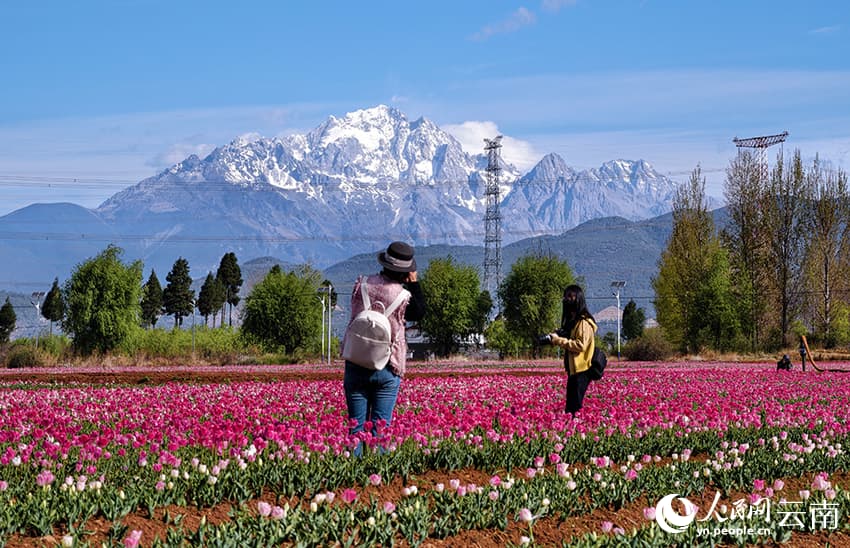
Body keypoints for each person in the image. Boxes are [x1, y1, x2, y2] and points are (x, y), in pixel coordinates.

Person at [343, 241, 425, 454]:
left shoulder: (361, 284)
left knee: (356, 429)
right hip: (388, 366)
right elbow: (420, 312)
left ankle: (353, 478)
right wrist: (413, 283)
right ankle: (376, 479)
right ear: (406, 271)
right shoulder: (404, 297)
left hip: (357, 361)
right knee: (380, 429)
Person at [547, 284, 598, 414]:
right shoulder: (574, 322)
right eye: (566, 296)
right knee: (570, 408)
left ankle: (577, 429)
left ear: (579, 299)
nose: (567, 299)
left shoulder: (584, 322)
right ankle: (571, 429)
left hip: (582, 370)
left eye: (571, 296)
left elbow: (580, 346)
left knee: (575, 408)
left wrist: (558, 340)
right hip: (574, 371)